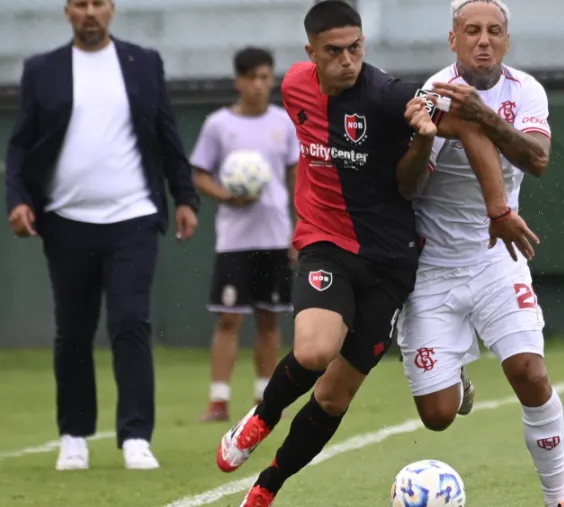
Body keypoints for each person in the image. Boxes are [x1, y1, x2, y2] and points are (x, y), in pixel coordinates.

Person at [214, 2, 538, 505]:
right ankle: (260, 418)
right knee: (314, 351)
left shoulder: (392, 96)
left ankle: (266, 487)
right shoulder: (294, 86)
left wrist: (498, 209)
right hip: (326, 244)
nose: (347, 61)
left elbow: (473, 131)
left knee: (333, 395)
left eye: (356, 49)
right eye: (334, 52)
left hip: (389, 261)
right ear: (311, 54)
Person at [394, 1, 564, 506]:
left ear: (507, 40)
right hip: (432, 269)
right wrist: (419, 142)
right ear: (452, 39)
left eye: (494, 31)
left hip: (497, 256)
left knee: (530, 373)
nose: (483, 40)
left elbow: (537, 160)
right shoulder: (431, 95)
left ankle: (557, 496)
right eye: (471, 30)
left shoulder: (526, 91)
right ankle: (454, 376)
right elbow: (408, 189)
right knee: (436, 415)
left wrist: (484, 119)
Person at [4, 0, 199, 471]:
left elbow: (167, 134)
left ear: (111, 9)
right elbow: (20, 143)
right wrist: (18, 199)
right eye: (80, 4)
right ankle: (74, 435)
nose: (89, 12)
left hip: (132, 217)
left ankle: (136, 436)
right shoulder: (42, 70)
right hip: (65, 221)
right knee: (73, 330)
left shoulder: (143, 63)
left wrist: (185, 197)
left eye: (98, 3)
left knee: (130, 321)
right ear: (67, 11)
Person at [191, 47, 300, 423]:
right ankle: (219, 400)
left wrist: (299, 229)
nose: (258, 85)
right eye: (251, 77)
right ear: (238, 81)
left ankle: (263, 398)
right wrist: (226, 195)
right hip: (235, 239)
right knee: (228, 319)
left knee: (270, 317)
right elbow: (200, 172)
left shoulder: (284, 123)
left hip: (274, 235)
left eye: (265, 77)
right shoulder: (219, 125)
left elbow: (296, 178)